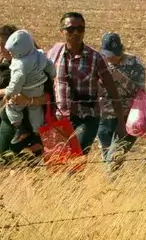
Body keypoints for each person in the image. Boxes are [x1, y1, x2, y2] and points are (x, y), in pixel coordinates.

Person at [45, 12, 127, 157]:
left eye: (80, 29)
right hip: (60, 118)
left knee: (76, 157)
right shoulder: (54, 53)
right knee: (57, 163)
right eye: (70, 29)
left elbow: (112, 90)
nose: (76, 33)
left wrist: (121, 123)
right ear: (61, 31)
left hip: (86, 118)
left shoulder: (96, 58)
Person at [0, 30, 52, 164]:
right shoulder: (1, 68)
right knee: (1, 160)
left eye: (5, 45)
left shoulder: (37, 65)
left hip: (31, 124)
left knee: (28, 161)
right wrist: (8, 92)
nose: (2, 50)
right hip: (8, 122)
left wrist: (27, 100)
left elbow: (49, 96)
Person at [95, 30, 146, 172]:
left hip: (127, 118)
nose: (111, 59)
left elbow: (138, 91)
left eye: (114, 55)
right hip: (104, 118)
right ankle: (112, 191)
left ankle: (111, 186)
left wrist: (117, 78)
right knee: (107, 159)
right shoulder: (100, 62)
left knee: (113, 161)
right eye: (108, 55)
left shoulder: (134, 64)